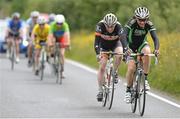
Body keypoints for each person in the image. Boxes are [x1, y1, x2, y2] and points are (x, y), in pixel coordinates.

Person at [124, 7, 160, 103]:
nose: (142, 22)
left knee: (147, 52)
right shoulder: (131, 23)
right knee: (131, 68)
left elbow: (155, 38)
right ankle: (128, 90)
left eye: (144, 20)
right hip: (130, 47)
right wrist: (126, 48)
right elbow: (123, 35)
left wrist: (156, 49)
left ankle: (145, 78)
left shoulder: (149, 24)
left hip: (141, 45)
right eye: (140, 20)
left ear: (147, 19)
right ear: (136, 18)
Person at [94, 13, 128, 102]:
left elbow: (123, 41)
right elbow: (96, 43)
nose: (109, 28)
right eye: (107, 26)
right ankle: (100, 90)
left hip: (115, 44)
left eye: (111, 26)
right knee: (102, 66)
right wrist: (98, 54)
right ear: (104, 24)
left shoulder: (118, 26)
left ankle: (115, 71)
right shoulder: (100, 26)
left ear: (115, 24)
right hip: (103, 46)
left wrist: (125, 52)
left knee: (119, 54)